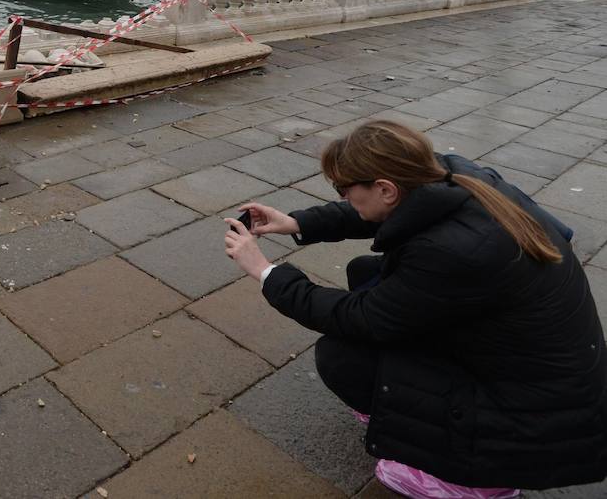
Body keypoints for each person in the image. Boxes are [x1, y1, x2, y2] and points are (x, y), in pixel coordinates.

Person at [224, 119, 607, 497]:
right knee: (365, 272)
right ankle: (427, 423)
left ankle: (478, 482)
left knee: (341, 357)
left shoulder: (450, 253)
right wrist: (295, 223)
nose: (342, 197)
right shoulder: (453, 176)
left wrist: (265, 271)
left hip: (535, 421)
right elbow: (371, 213)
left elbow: (358, 317)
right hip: (541, 369)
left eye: (344, 188)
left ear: (386, 188)